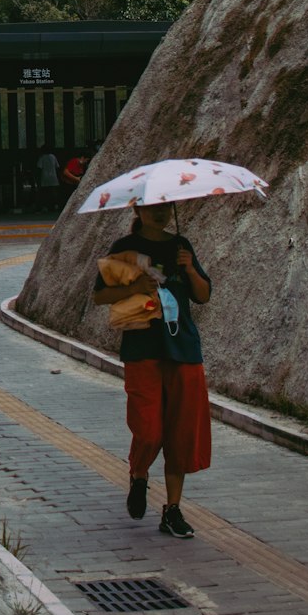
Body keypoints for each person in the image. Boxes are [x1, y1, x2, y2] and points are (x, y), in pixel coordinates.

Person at [91, 201, 211, 539]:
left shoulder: (181, 246)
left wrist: (188, 269)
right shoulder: (125, 249)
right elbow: (100, 295)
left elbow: (203, 295)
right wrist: (133, 289)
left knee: (180, 434)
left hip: (183, 349)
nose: (160, 213)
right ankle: (139, 474)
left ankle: (172, 510)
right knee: (148, 430)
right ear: (139, 211)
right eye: (152, 208)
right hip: (142, 349)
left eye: (165, 207)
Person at [34, 146, 61, 212]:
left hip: (45, 178)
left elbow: (39, 168)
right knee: (53, 193)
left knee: (45, 193)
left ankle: (45, 206)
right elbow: (57, 167)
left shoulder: (42, 158)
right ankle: (55, 206)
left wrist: (37, 179)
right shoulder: (53, 157)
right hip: (53, 178)